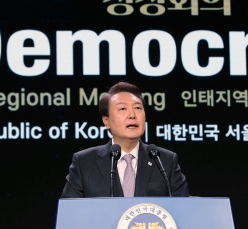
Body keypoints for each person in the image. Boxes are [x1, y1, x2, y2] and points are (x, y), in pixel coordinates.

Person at [61, 82, 189, 198]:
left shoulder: (164, 161)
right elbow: (70, 214)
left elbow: (184, 210)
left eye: (138, 108)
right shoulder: (84, 162)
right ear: (106, 121)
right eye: (122, 109)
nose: (132, 115)